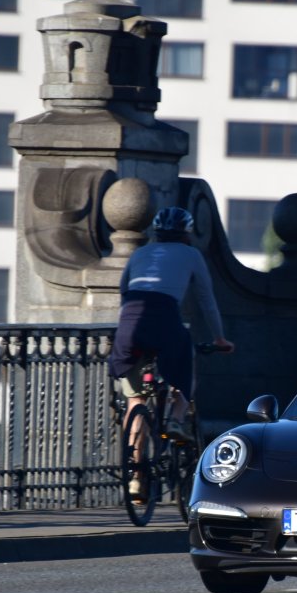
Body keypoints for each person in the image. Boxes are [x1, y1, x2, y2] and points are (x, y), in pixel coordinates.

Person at [109, 206, 234, 496]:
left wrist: (124, 328)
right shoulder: (191, 255)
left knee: (135, 401)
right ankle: (177, 420)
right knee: (184, 365)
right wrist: (220, 338)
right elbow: (206, 299)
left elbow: (124, 290)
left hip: (130, 323)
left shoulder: (139, 254)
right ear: (186, 234)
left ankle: (136, 478)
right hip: (164, 319)